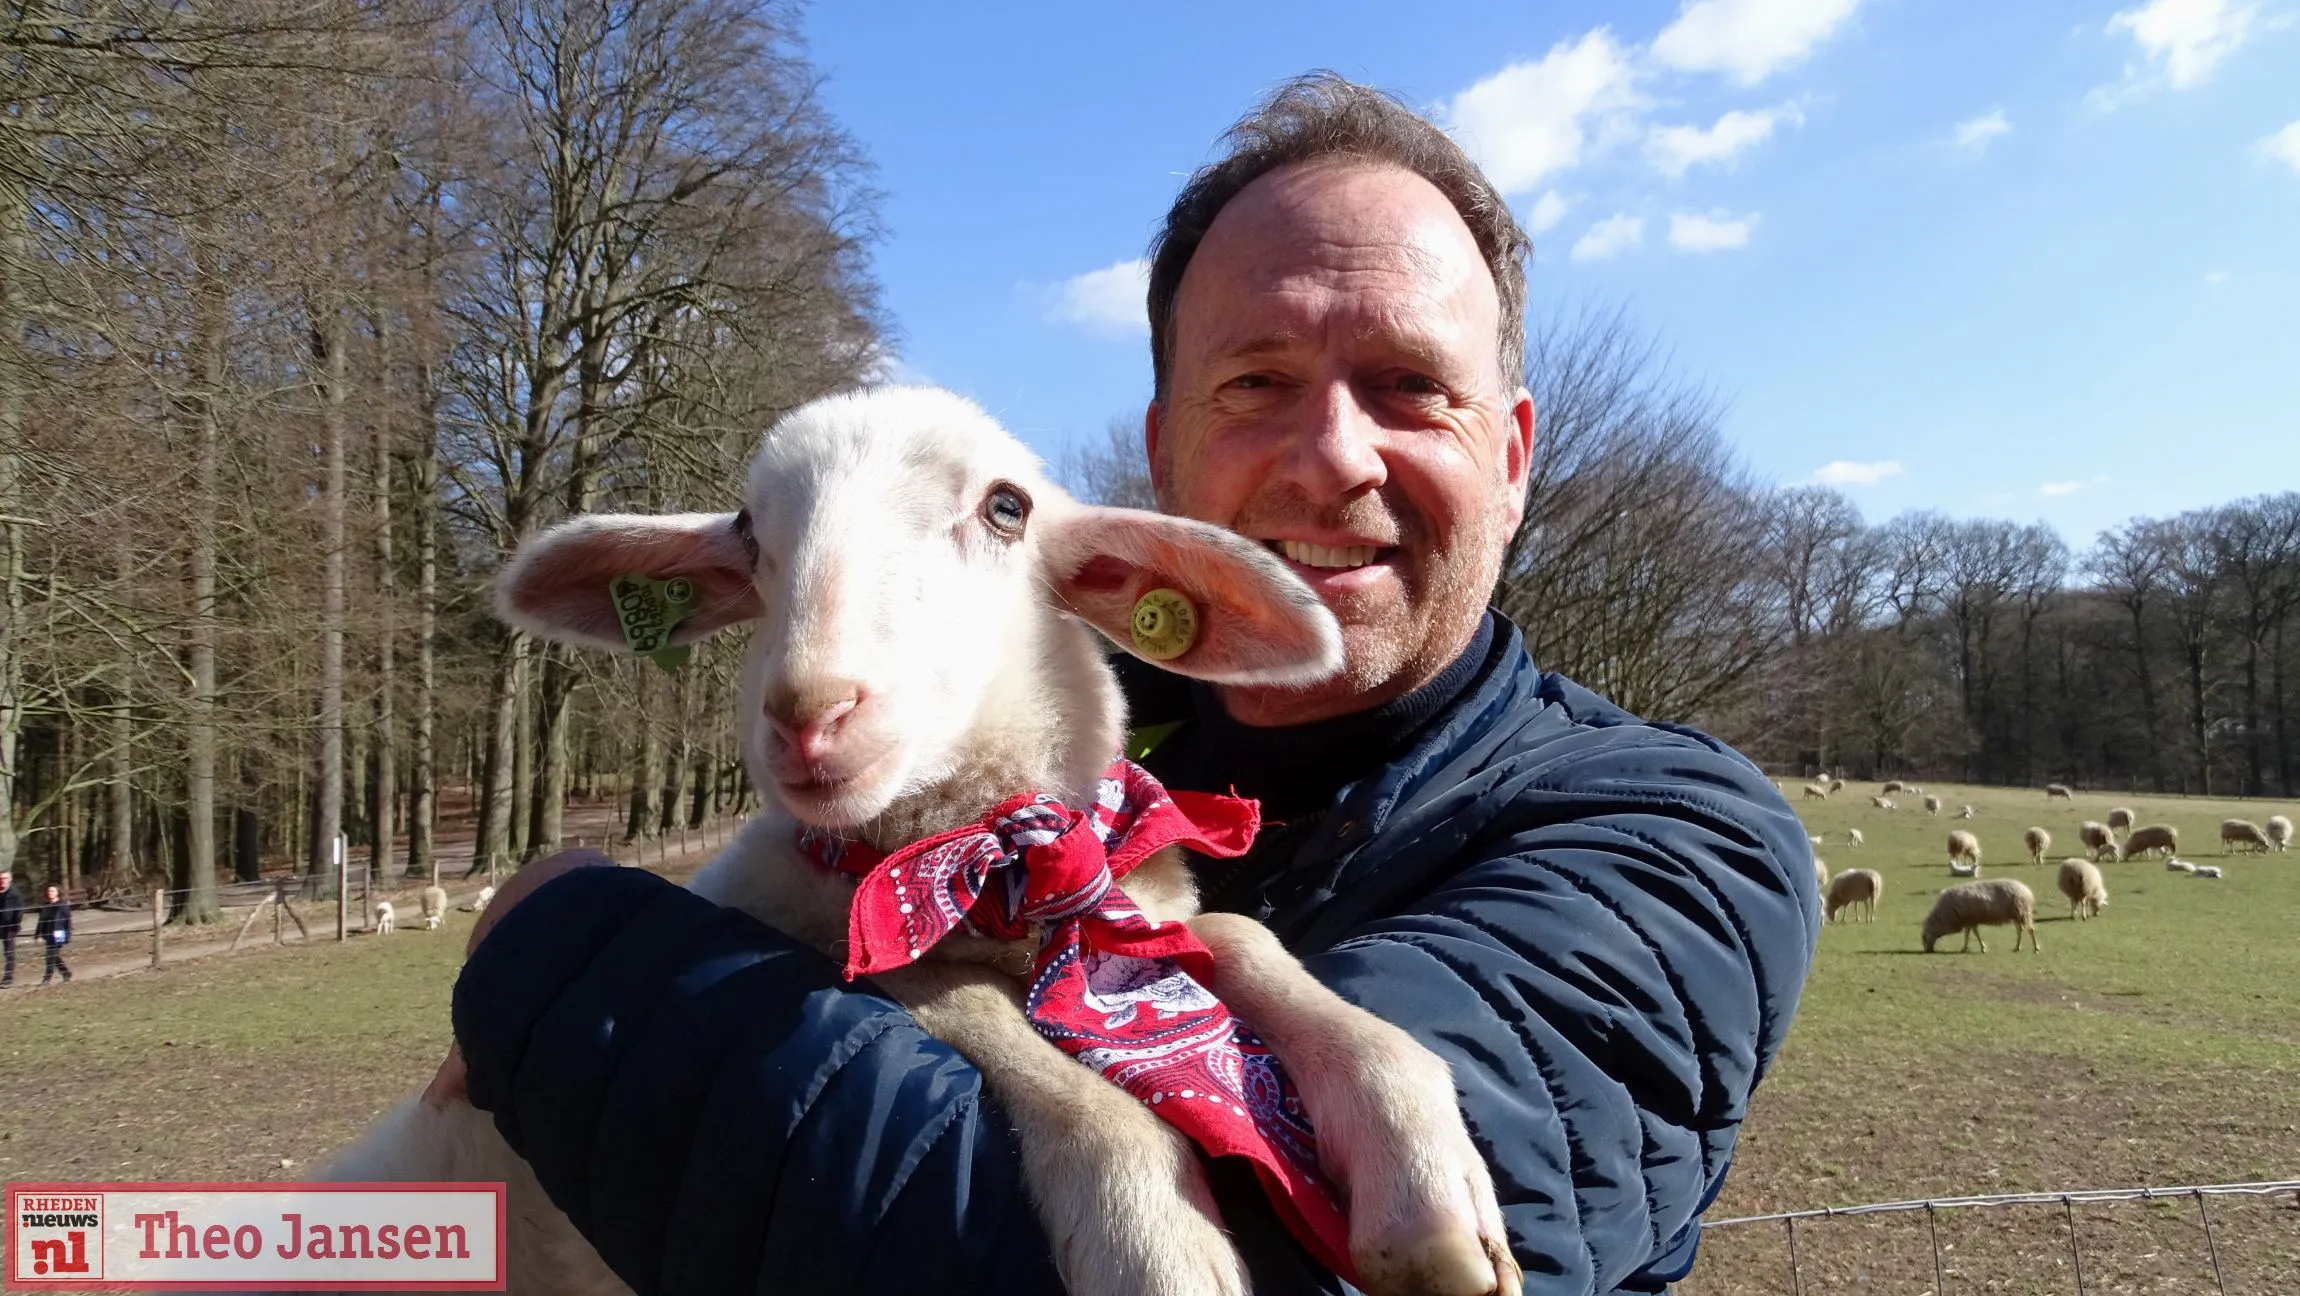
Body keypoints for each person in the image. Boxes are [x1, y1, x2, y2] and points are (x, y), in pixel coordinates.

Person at [431, 74, 1816, 1294]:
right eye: (1258, 382)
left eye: (1409, 386)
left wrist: (566, 967)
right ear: (1163, 453)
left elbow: (1003, 1245)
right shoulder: (1086, 767)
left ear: (1514, 456)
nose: (1333, 458)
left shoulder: (1675, 846)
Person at [33, 883, 71, 985]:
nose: (50, 893)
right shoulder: (45, 906)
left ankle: (47, 978)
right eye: (49, 891)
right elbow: (40, 921)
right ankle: (66, 972)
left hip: (59, 933)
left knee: (49, 956)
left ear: (58, 892)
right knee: (54, 956)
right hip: (48, 934)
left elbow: (68, 921)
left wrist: (68, 935)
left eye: (53, 891)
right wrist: (38, 934)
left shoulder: (62, 905)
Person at [0, 871, 22, 987]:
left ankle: (8, 978)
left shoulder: (14, 894)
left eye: (5, 878)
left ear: (10, 879)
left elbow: (18, 912)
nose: (2, 880)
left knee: (9, 952)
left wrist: (15, 925)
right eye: (1, 878)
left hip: (9, 927)